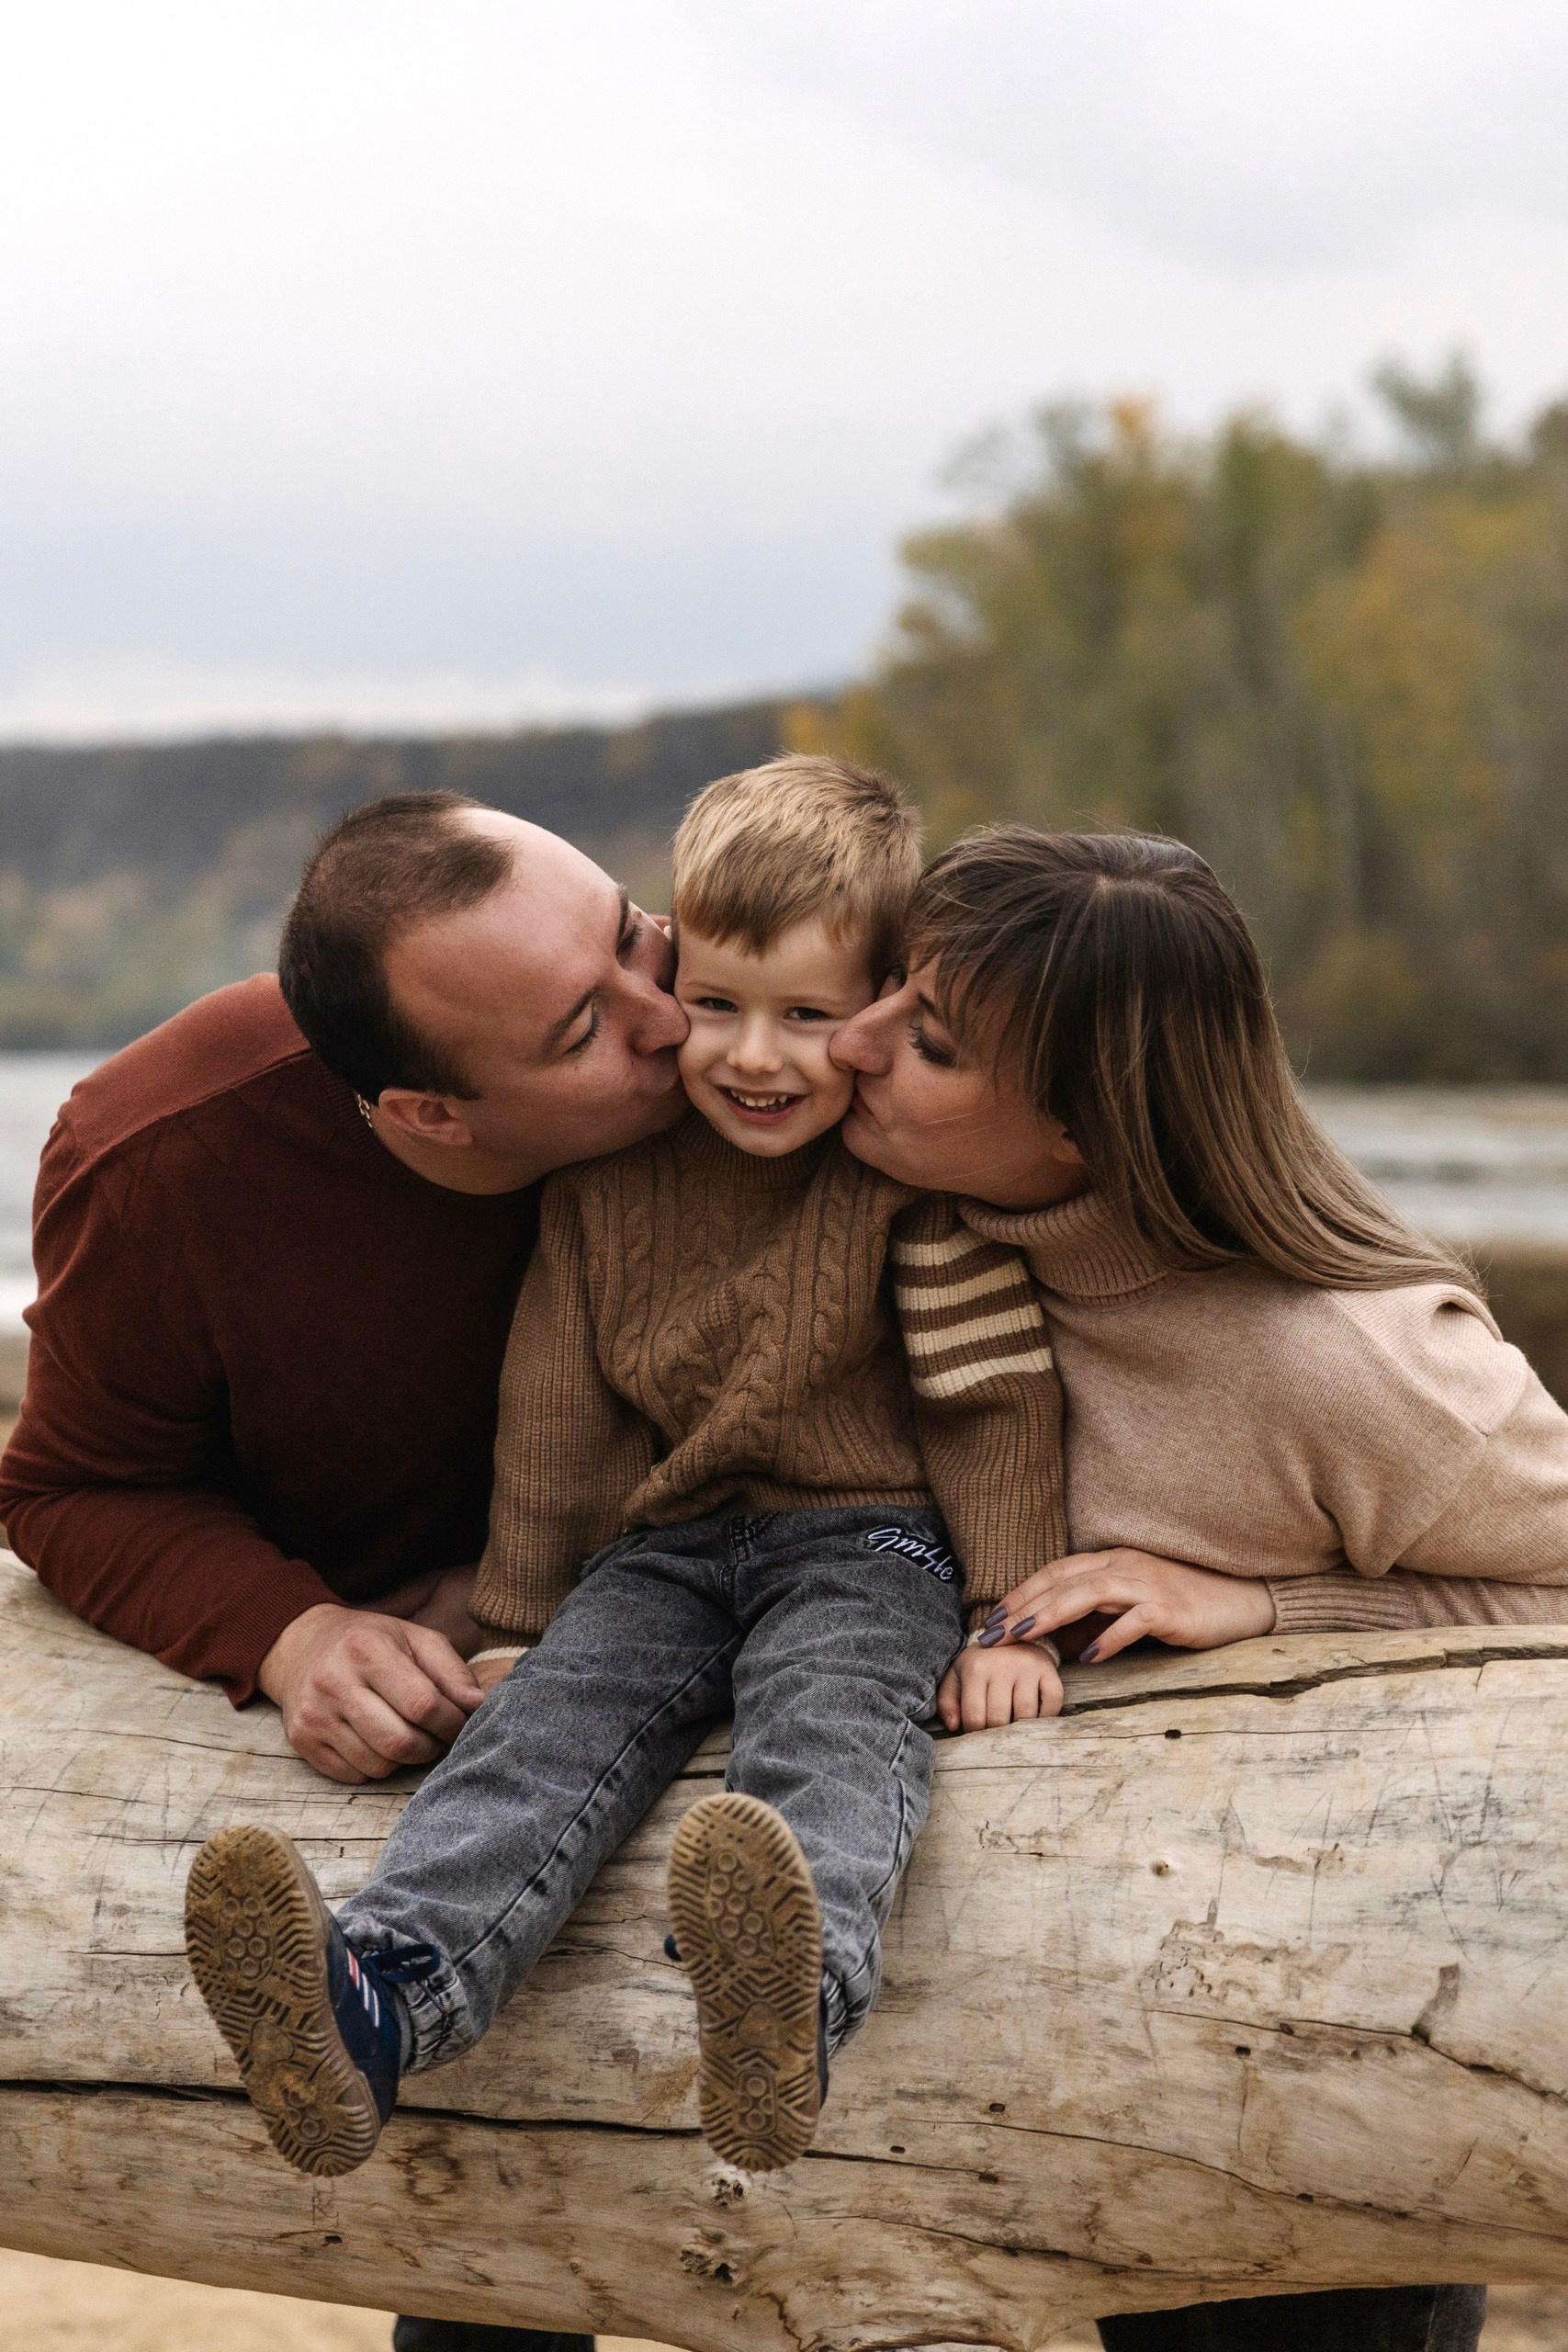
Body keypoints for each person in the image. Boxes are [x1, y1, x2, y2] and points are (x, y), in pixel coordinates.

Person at [182, 754, 1068, 2187]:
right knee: (540, 1737)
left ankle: (792, 1999)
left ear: (883, 1010)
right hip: (663, 1547)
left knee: (830, 1725)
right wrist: (523, 1619)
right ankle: (381, 1998)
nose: (749, 1055)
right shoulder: (602, 1182)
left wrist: (1014, 1613)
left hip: (872, 1542)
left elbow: (990, 1398)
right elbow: (556, 1412)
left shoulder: (904, 1178)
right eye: (713, 1002)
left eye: (808, 1017)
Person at [830, 824, 1568, 2352]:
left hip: (1311, 2071)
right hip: (1015, 2053)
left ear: (1085, 1137)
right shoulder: (907, 1233)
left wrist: (1280, 1612)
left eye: (932, 1043)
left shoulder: (1348, 1361)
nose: (854, 1045)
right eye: (889, 988)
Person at [0, 788, 689, 2352]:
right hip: (456, 1770)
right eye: (587, 1027)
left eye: (637, 932)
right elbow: (74, 1487)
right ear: (431, 1115)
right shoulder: (161, 1158)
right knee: (489, 2245)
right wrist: (295, 1633)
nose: (671, 1020)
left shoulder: (758, 1036)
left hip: (777, 1612)